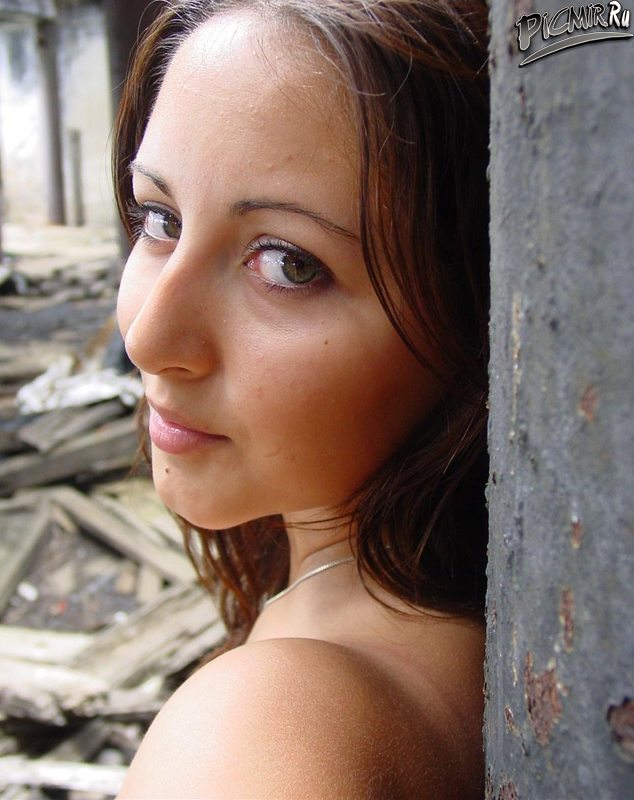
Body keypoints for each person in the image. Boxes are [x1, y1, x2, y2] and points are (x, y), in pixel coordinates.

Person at [113, 0, 490, 797]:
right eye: (160, 218)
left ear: (475, 320)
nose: (147, 338)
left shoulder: (262, 733)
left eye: (288, 264)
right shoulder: (444, 633)